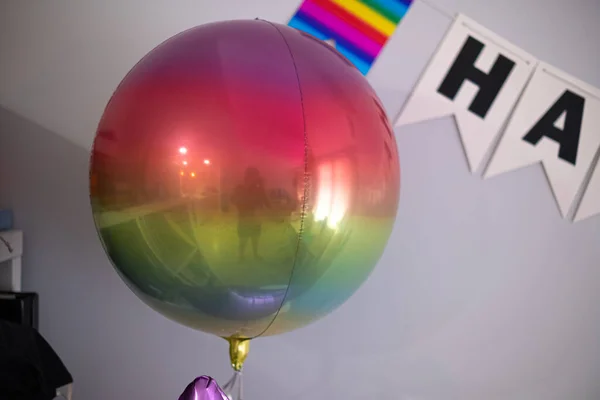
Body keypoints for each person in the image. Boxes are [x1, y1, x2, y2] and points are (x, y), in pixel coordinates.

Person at [230, 167, 270, 261]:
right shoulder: (240, 188)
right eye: (253, 176)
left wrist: (262, 187)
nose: (255, 178)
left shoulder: (259, 189)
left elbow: (266, 202)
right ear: (247, 177)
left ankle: (255, 254)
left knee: (255, 237)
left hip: (255, 219)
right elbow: (233, 200)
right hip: (244, 218)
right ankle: (241, 256)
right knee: (243, 239)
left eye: (256, 176)